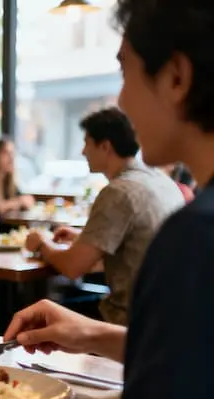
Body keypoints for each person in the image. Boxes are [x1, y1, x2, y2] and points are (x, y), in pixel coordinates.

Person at [0, 1, 214, 399]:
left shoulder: (196, 237)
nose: (121, 99)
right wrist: (90, 333)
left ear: (177, 77)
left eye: (124, 71)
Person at [24, 108, 183, 325]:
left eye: (87, 142)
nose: (82, 151)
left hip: (128, 320)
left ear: (105, 146)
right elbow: (135, 242)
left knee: (36, 315)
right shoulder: (161, 181)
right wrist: (84, 236)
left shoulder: (119, 191)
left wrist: (41, 243)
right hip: (169, 314)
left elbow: (72, 267)